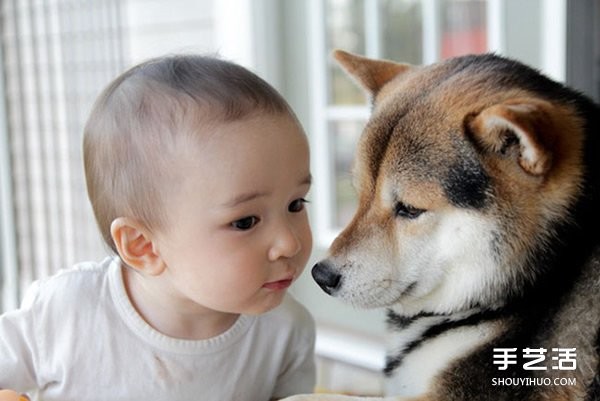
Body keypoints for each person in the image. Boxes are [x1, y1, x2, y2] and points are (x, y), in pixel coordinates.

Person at [0, 54, 315, 401]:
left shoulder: (286, 330)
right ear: (143, 246)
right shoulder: (67, 312)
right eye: (245, 221)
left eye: (296, 204)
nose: (288, 242)